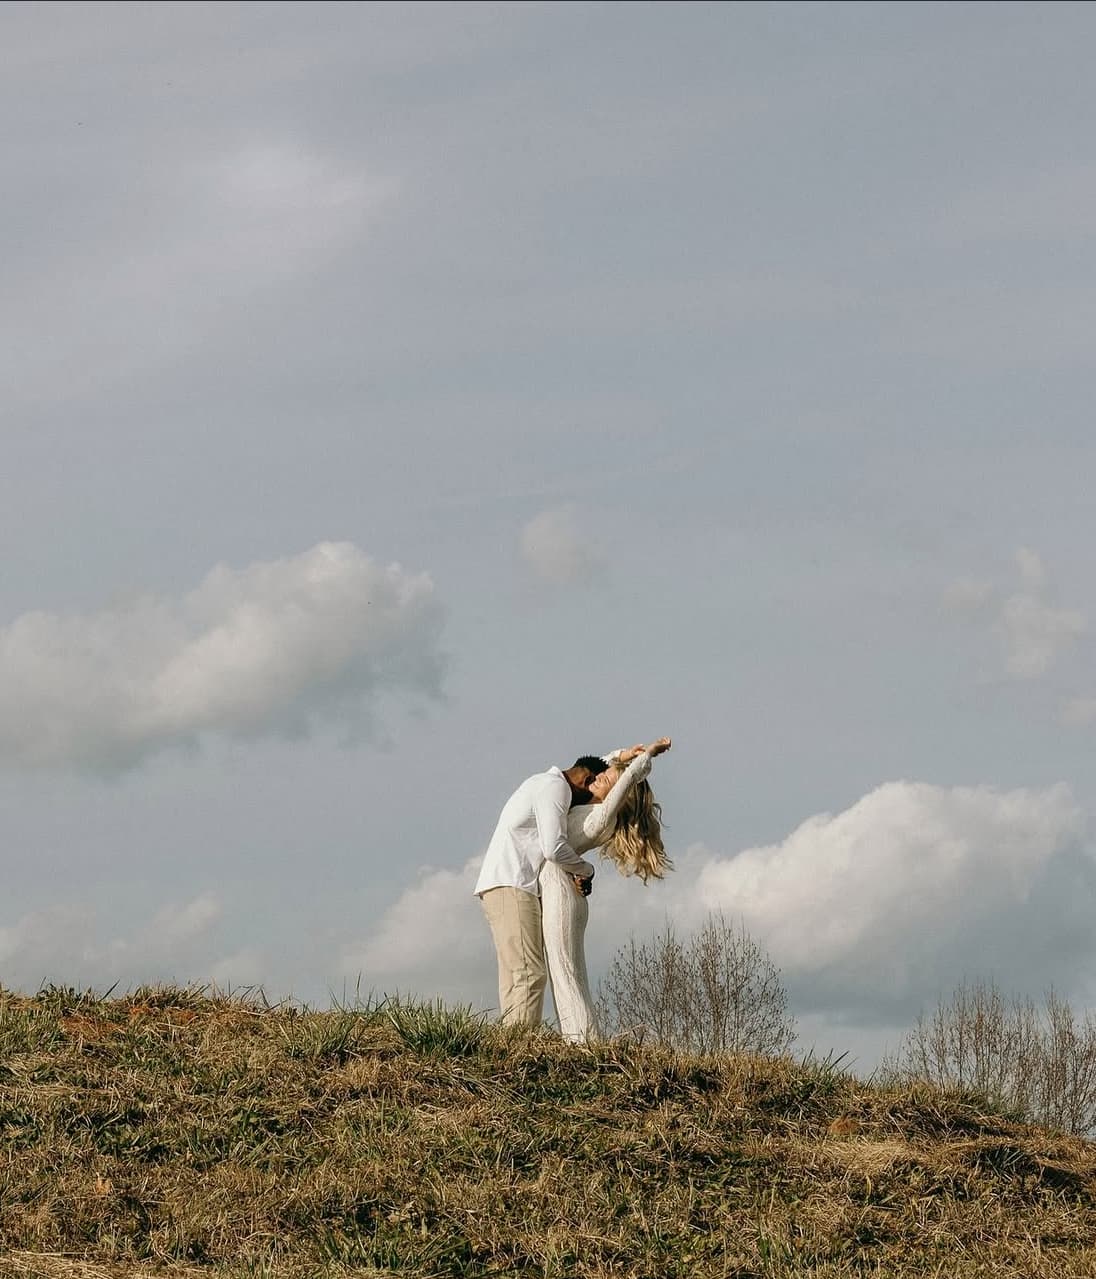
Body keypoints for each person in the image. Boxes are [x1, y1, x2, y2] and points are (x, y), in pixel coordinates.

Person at [540, 737, 672, 1043]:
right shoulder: (594, 808)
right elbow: (596, 770)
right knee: (568, 971)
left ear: (617, 792)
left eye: (606, 780)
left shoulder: (603, 816)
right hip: (564, 888)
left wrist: (647, 756)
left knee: (565, 972)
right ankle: (582, 1039)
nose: (598, 778)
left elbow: (625, 779)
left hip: (562, 891)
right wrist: (622, 754)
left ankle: (581, 1043)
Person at [474, 754, 607, 1026]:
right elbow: (554, 847)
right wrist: (586, 869)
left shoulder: (548, 783)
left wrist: (625, 755)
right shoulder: (555, 788)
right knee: (528, 973)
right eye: (592, 800)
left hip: (508, 885)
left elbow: (600, 763)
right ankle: (519, 1053)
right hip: (511, 884)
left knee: (516, 974)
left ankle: (511, 1047)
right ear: (587, 780)